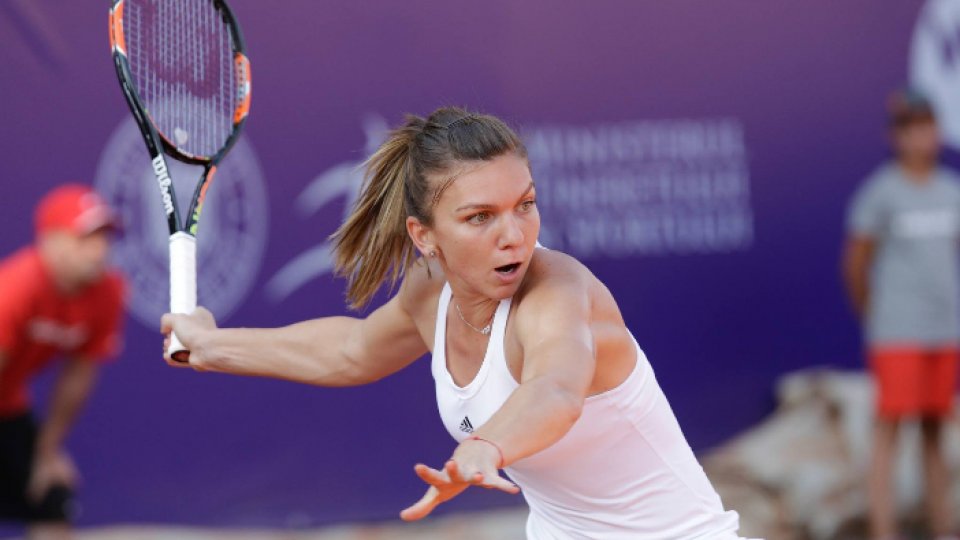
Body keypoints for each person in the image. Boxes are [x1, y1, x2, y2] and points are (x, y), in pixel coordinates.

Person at [162, 107, 743, 539]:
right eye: (479, 217)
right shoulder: (430, 292)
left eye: (525, 204)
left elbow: (556, 389)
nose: (513, 233)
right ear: (425, 236)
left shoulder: (560, 291)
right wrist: (213, 345)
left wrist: (488, 445)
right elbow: (353, 351)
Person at [843, 89, 960, 540]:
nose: (919, 138)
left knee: (935, 430)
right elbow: (855, 263)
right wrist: (877, 316)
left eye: (926, 127)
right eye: (909, 129)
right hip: (896, 331)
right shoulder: (881, 192)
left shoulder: (951, 192)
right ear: (895, 136)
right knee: (888, 430)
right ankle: (883, 531)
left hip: (943, 330)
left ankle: (943, 527)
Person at [0, 184, 126, 540]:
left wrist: (47, 451)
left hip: (8, 405)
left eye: (105, 237)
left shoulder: (109, 292)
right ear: (50, 242)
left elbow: (78, 375)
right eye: (85, 238)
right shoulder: (13, 288)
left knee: (54, 497)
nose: (99, 250)